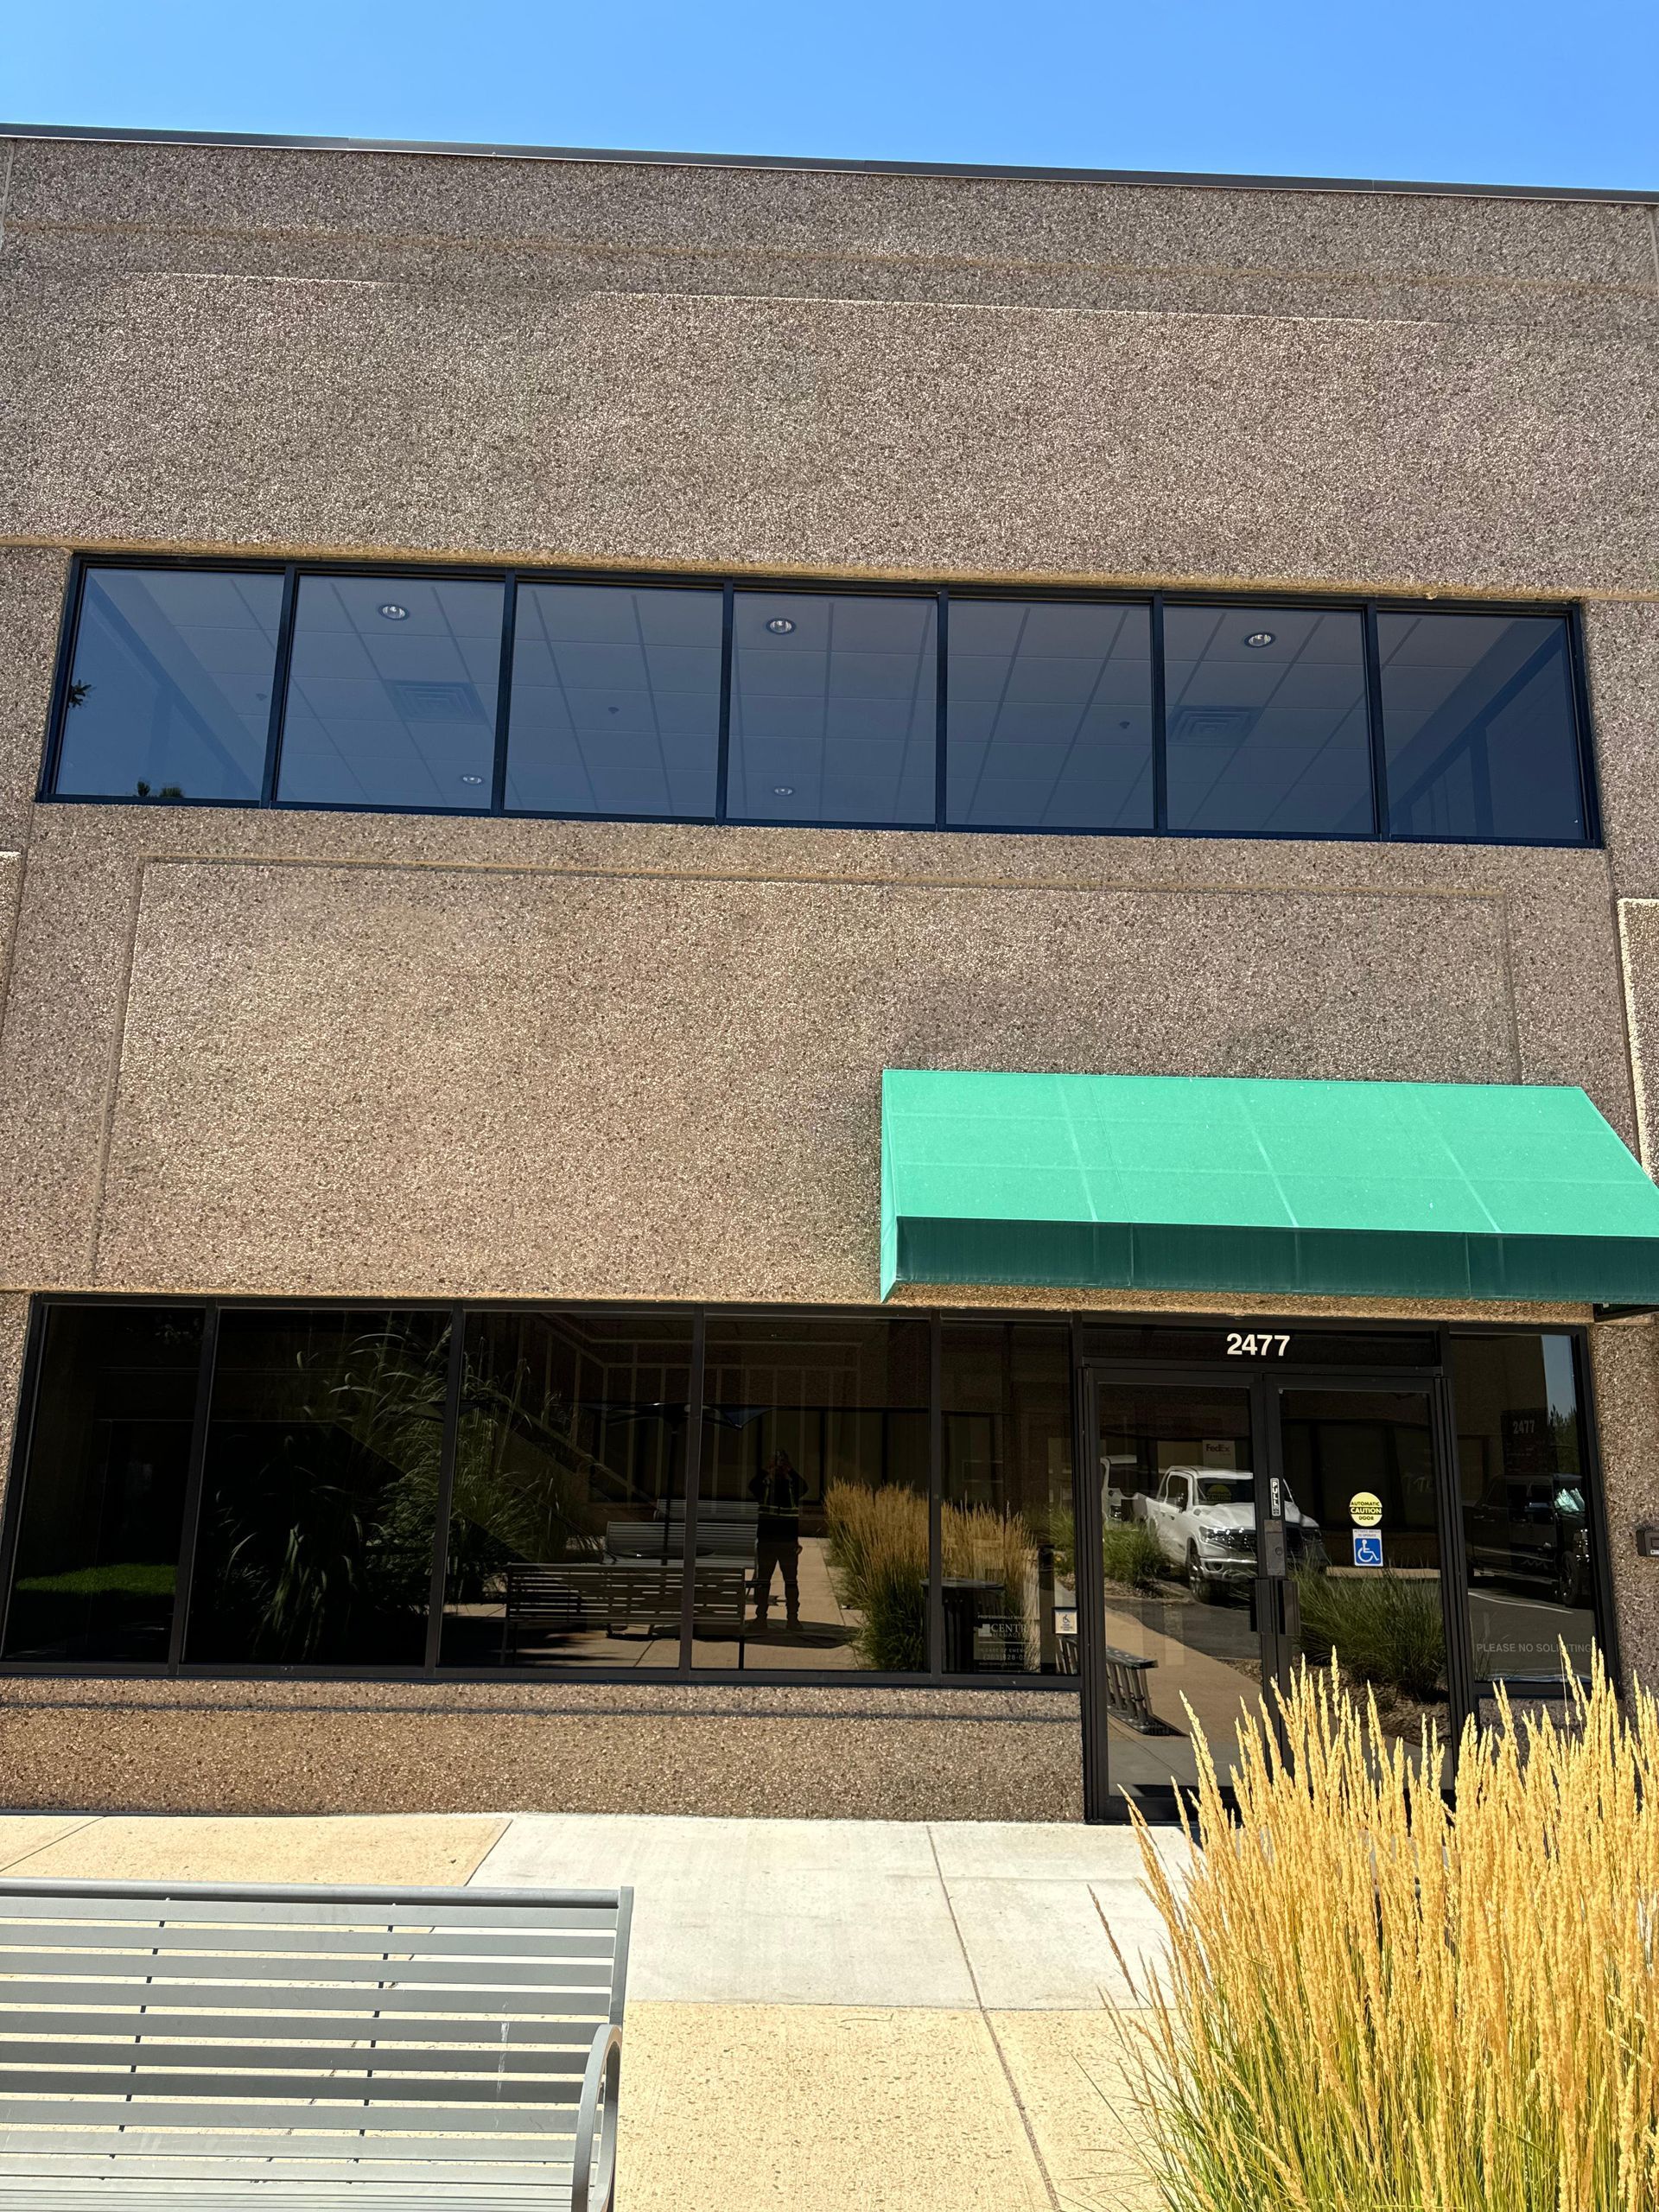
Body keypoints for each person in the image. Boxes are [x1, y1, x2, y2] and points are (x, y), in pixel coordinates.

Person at [749, 1449, 807, 1630]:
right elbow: (752, 1486)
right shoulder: (765, 1485)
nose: (779, 1467)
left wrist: (789, 1471)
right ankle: (761, 1618)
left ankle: (792, 1618)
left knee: (790, 1581)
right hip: (769, 1541)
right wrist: (767, 1470)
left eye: (782, 1463)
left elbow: (804, 1487)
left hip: (785, 1542)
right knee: (764, 1581)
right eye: (777, 1463)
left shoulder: (792, 1486)